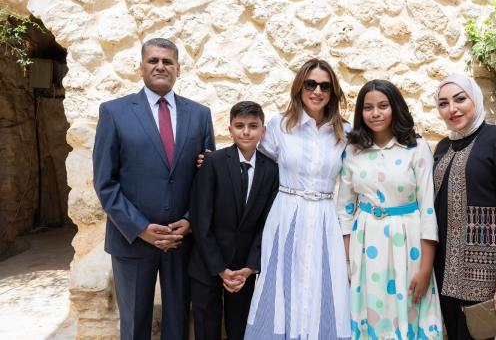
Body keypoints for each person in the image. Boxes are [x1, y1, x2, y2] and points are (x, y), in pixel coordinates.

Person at [93, 38, 215, 340]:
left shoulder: (200, 115)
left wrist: (190, 220)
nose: (160, 66)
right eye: (153, 61)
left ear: (178, 69)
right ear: (141, 68)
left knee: (178, 324)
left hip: (181, 241)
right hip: (132, 241)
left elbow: (208, 178)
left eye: (167, 61)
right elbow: (105, 182)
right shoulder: (114, 112)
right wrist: (141, 228)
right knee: (135, 325)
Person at [244, 59, 351, 339]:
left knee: (322, 284)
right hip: (286, 213)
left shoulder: (345, 132)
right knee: (282, 282)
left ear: (333, 92)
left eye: (325, 86)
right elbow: (257, 164)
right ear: (299, 87)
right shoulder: (279, 126)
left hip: (326, 217)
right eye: (310, 84)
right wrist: (215, 161)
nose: (317, 91)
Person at [337, 80, 443, 339]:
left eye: (383, 106)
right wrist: (348, 262)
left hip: (408, 245)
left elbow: (428, 210)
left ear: (395, 107)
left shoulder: (416, 148)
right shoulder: (353, 151)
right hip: (365, 247)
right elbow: (344, 210)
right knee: (370, 313)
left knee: (408, 310)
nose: (375, 113)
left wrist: (425, 268)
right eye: (368, 107)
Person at [433, 74, 496, 340]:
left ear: (475, 99)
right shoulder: (443, 146)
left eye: (460, 99)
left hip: (483, 279)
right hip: (442, 275)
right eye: (443, 103)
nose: (452, 109)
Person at [189, 101, 279, 340]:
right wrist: (220, 268)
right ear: (230, 130)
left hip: (243, 270)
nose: (246, 132)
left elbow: (267, 224)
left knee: (239, 329)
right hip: (207, 263)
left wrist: (250, 268)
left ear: (263, 130)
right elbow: (200, 218)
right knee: (206, 328)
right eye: (239, 126)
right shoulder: (212, 162)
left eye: (253, 126)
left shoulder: (271, 170)